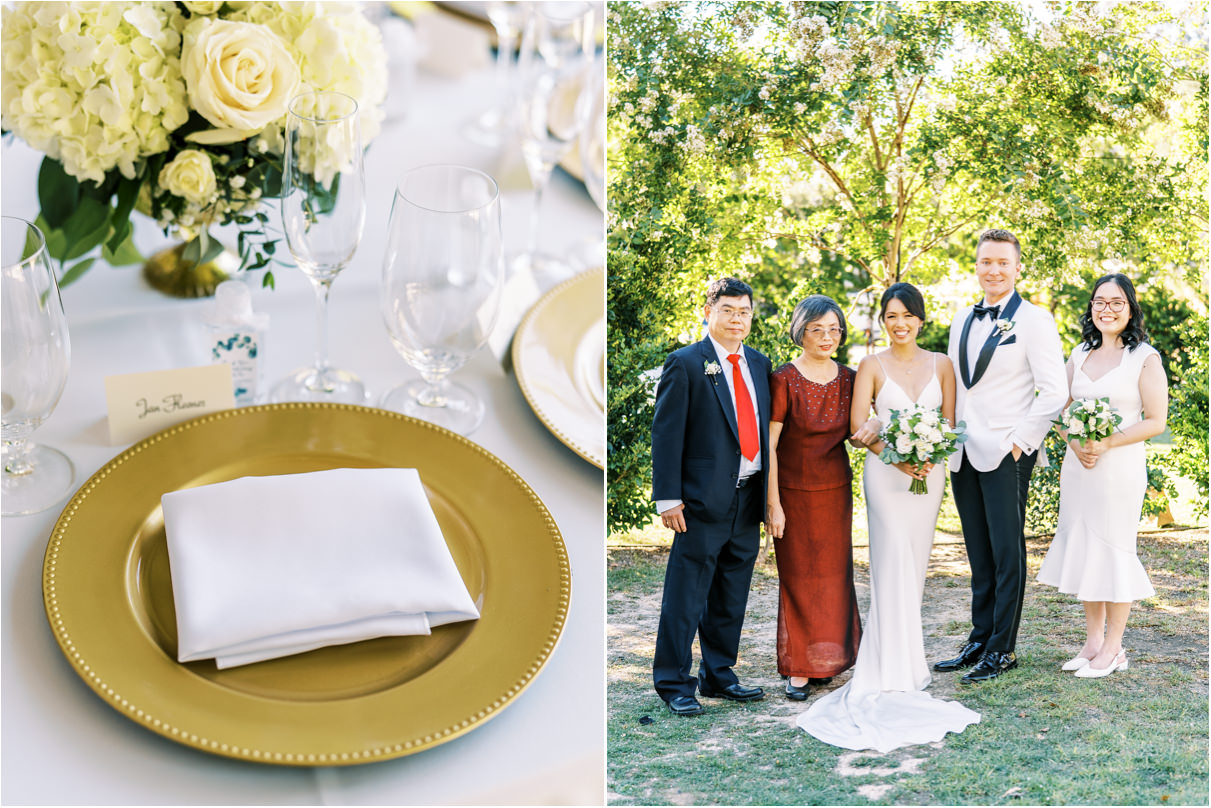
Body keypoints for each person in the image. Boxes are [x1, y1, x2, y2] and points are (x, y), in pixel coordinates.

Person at [798, 283, 979, 752]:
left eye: (907, 316)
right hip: (886, 477)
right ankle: (883, 668)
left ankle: (910, 665)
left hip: (927, 477)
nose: (899, 324)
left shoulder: (942, 365)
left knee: (915, 566)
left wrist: (929, 454)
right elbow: (859, 428)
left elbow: (951, 426)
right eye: (891, 317)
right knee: (890, 564)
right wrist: (897, 457)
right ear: (884, 322)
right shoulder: (870, 366)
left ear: (920, 320)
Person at [937, 229, 1068, 683]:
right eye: (985, 262)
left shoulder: (1035, 320)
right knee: (977, 549)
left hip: (1008, 450)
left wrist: (1020, 442)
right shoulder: (961, 319)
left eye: (1001, 262)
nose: (992, 270)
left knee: (1007, 551)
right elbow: (956, 383)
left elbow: (1055, 392)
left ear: (1017, 268)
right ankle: (979, 637)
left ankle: (1002, 649)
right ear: (976, 266)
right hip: (964, 450)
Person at [651, 277, 773, 716]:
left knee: (730, 594)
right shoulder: (685, 363)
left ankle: (719, 675)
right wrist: (668, 497)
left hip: (747, 498)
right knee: (686, 596)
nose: (737, 319)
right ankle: (672, 682)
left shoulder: (760, 364)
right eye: (728, 310)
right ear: (708, 311)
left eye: (744, 312)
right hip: (700, 502)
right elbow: (666, 433)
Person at [1037, 273, 1168, 678]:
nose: (1106, 309)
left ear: (1130, 309)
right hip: (1079, 467)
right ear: (1090, 308)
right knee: (1085, 549)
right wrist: (1074, 443)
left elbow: (1156, 421)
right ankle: (1092, 642)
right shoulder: (1078, 354)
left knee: (1113, 550)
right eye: (1099, 302)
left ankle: (1114, 649)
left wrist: (1107, 443)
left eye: (1116, 302)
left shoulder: (1145, 357)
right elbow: (1060, 408)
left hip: (1119, 469)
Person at [765, 295, 862, 701]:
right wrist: (772, 504)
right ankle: (800, 667)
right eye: (816, 329)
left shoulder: (851, 378)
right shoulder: (783, 379)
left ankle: (832, 660)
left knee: (834, 577)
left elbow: (860, 433)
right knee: (800, 579)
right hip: (792, 494)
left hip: (836, 492)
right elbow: (768, 446)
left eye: (833, 329)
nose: (826, 337)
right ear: (800, 331)